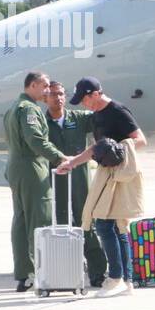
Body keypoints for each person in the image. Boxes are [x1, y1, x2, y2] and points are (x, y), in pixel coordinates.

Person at [59, 77, 147, 294]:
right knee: (116, 226)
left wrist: (118, 149)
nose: (83, 104)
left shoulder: (118, 111)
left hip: (119, 175)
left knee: (104, 225)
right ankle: (127, 280)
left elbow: (140, 140)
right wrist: (72, 162)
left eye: (85, 99)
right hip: (106, 173)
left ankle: (116, 277)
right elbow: (96, 148)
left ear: (96, 94)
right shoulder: (97, 115)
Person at [2, 72, 67, 291]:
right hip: (31, 168)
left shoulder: (15, 107)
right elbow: (35, 139)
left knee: (21, 220)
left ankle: (24, 274)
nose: (48, 90)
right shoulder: (29, 109)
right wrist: (59, 158)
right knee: (40, 220)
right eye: (45, 86)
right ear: (32, 85)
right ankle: (42, 272)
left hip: (17, 167)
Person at [45, 80, 107, 287]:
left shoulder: (77, 118)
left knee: (86, 222)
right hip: (56, 178)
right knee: (60, 223)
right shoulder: (42, 122)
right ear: (45, 98)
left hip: (79, 179)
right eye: (53, 94)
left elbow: (101, 118)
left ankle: (98, 271)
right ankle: (64, 271)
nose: (59, 98)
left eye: (61, 93)